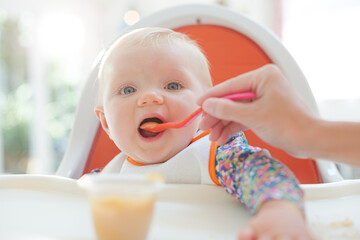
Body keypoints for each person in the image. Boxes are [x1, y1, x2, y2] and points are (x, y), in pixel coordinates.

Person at [94, 27, 313, 239]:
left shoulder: (219, 156)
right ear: (106, 123)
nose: (150, 97)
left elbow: (264, 174)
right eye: (128, 90)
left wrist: (278, 209)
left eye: (172, 86)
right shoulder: (107, 178)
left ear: (204, 107)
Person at [198, 64, 360, 168]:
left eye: (174, 86)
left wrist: (277, 208)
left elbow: (269, 180)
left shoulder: (223, 154)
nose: (170, 98)